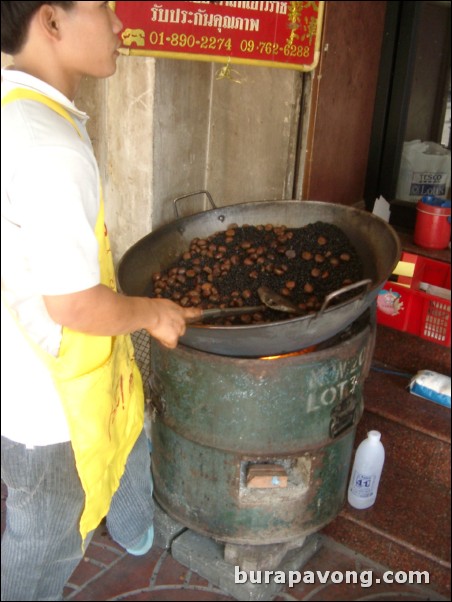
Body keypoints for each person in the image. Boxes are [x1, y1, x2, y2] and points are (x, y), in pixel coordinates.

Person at [0, 2, 202, 600]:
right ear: (52, 22)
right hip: (47, 402)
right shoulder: (48, 145)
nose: (120, 25)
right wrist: (153, 313)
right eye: (103, 8)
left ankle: (133, 525)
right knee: (45, 541)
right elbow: (74, 305)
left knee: (131, 422)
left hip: (56, 361)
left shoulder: (19, 112)